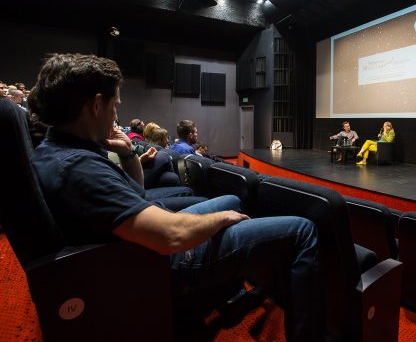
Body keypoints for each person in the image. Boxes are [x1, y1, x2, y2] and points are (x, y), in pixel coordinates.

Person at [27, 53, 325, 341]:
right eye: (114, 106)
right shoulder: (79, 168)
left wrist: (128, 153)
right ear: (95, 106)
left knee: (234, 201)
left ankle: (233, 288)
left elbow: (136, 193)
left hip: (139, 240)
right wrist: (220, 219)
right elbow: (170, 237)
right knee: (302, 230)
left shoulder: (59, 151)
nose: (116, 115)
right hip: (163, 256)